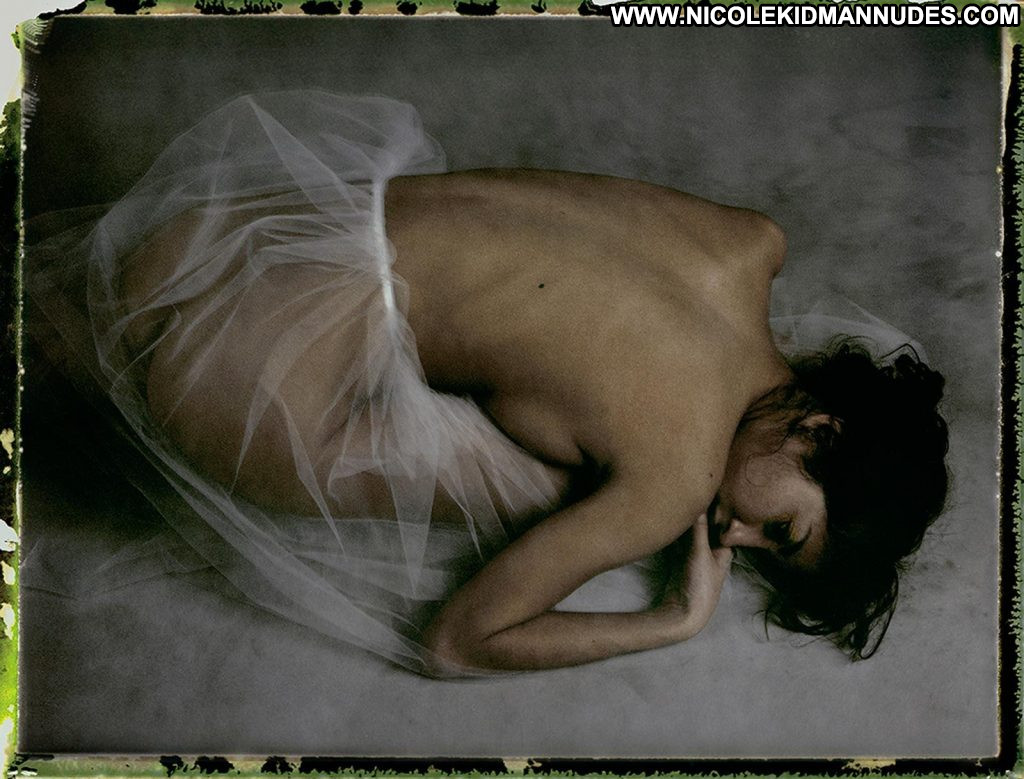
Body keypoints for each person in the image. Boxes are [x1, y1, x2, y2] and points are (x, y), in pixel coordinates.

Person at [27, 90, 949, 676]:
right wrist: (675, 616)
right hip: (235, 386)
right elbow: (456, 644)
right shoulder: (676, 476)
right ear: (820, 430)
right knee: (554, 486)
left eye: (756, 551)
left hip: (226, 237)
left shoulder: (753, 244)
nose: (730, 535)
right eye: (778, 528)